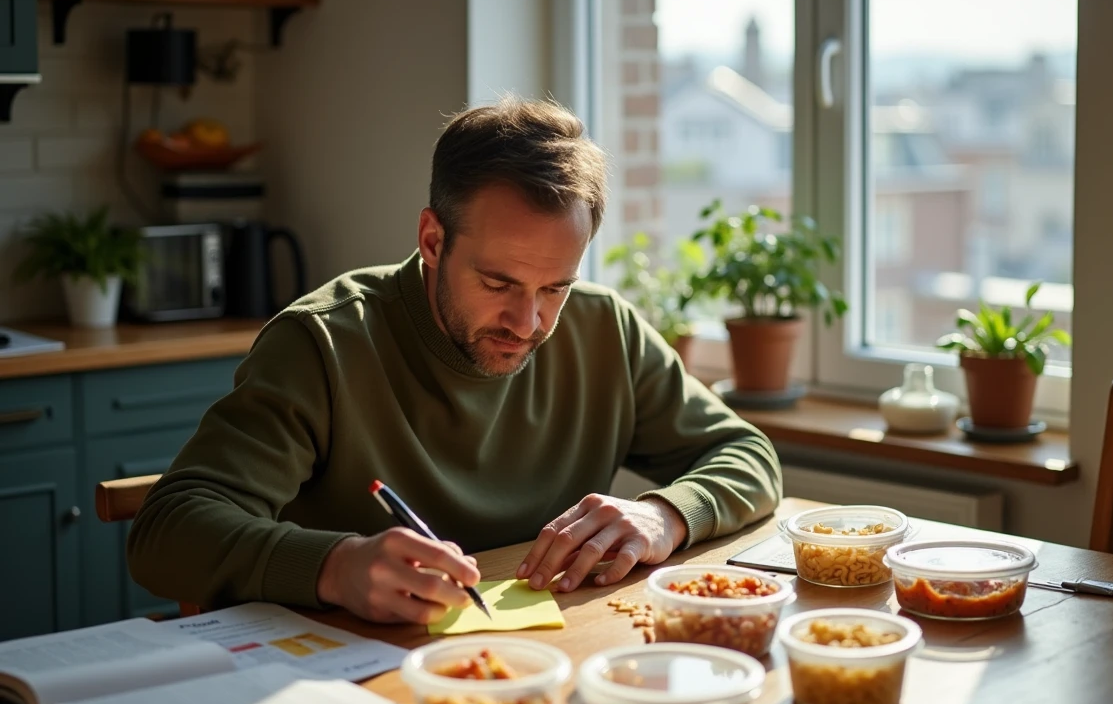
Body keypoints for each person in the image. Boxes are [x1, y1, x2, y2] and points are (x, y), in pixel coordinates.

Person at [128, 97, 782, 625]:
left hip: (544, 660)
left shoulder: (602, 327)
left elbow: (748, 454)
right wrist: (338, 566)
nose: (528, 324)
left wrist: (665, 515)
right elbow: (167, 529)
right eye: (499, 284)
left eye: (553, 287)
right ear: (433, 239)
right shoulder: (324, 343)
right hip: (355, 679)